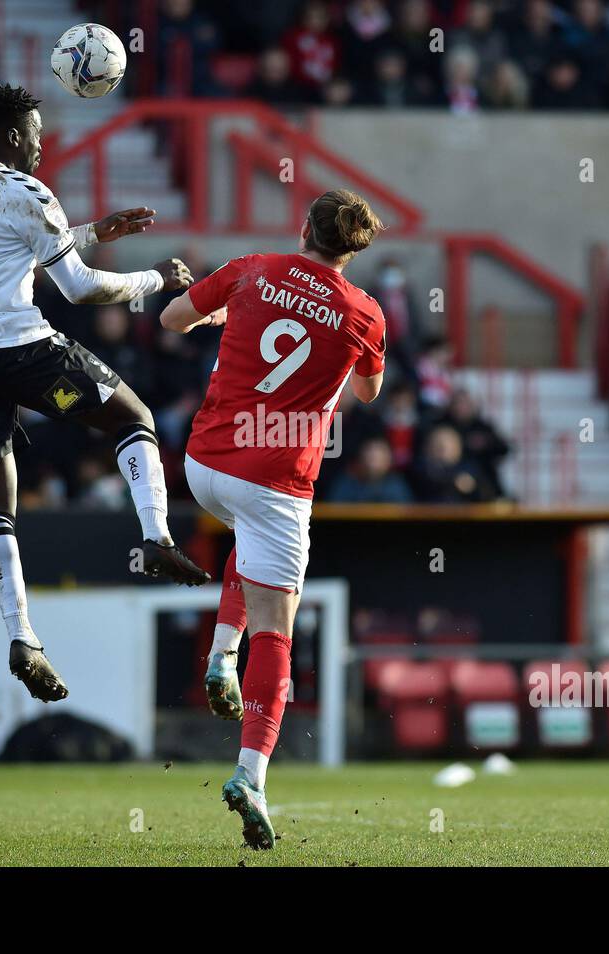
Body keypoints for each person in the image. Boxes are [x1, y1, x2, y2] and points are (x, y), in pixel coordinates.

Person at [0, 84, 210, 704]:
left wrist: (93, 230)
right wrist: (160, 278)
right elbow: (80, 290)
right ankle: (156, 538)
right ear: (16, 135)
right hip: (19, 355)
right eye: (38, 133)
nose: (44, 145)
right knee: (133, 417)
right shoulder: (26, 191)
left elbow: (3, 249)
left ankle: (22, 635)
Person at [159, 188, 387, 850]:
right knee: (278, 634)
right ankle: (251, 775)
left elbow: (174, 319)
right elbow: (367, 391)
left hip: (204, 465)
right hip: (277, 483)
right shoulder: (365, 313)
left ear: (303, 228)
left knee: (243, 540)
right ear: (354, 247)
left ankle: (220, 658)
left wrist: (221, 312)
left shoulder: (253, 268)